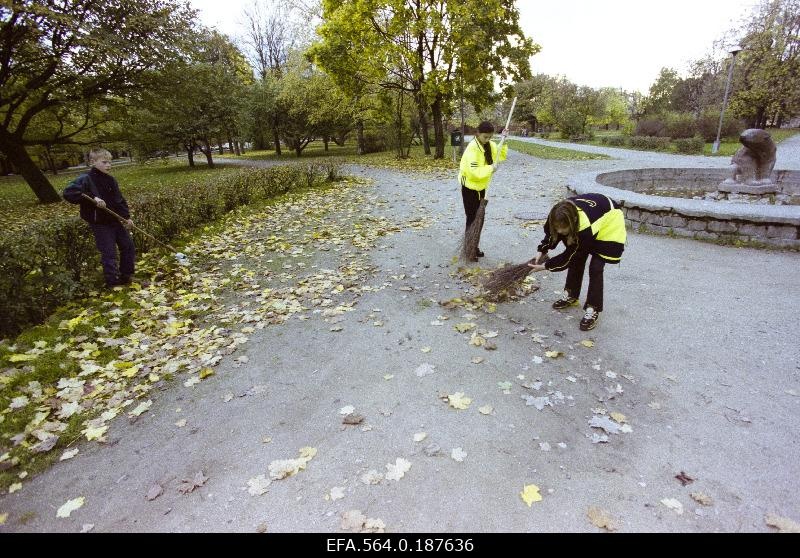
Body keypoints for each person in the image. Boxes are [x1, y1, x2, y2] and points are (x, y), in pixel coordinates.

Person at [526, 193, 626, 331]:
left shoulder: (584, 228)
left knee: (595, 267)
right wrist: (542, 249)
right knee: (577, 257)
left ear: (572, 221)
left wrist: (546, 266)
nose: (559, 231)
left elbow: (571, 256)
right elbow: (551, 234)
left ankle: (593, 308)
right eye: (557, 228)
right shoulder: (557, 214)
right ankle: (572, 295)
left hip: (609, 220)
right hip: (592, 216)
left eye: (563, 228)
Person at [63, 148, 136, 287]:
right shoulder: (85, 179)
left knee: (128, 246)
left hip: (114, 219)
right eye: (104, 162)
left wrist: (127, 217)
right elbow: (69, 192)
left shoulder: (111, 180)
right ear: (92, 162)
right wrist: (93, 198)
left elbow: (119, 200)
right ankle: (112, 282)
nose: (108, 165)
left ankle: (126, 276)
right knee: (109, 252)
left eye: (110, 162)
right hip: (100, 223)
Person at [458, 121, 508, 260]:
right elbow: (474, 172)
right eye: (485, 137)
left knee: (480, 219)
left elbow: (500, 155)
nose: (487, 140)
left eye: (490, 137)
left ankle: (474, 246)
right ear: (478, 133)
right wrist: (491, 168)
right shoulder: (472, 149)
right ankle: (469, 249)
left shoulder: (488, 145)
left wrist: (503, 141)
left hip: (482, 188)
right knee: (472, 218)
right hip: (470, 188)